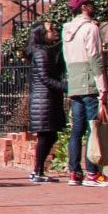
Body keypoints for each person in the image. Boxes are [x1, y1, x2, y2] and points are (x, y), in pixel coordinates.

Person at [61, 0, 107, 185]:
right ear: (82, 8)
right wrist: (102, 86)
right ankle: (92, 173)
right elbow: (95, 58)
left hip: (74, 81)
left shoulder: (66, 30)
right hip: (89, 80)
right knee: (92, 128)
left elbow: (66, 58)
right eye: (88, 4)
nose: (92, 5)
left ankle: (74, 172)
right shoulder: (90, 28)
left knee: (76, 130)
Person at [26, 22, 65, 182]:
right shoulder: (41, 53)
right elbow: (45, 78)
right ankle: (37, 171)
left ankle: (39, 170)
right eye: (51, 30)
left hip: (45, 98)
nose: (54, 31)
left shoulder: (44, 51)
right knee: (45, 135)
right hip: (44, 99)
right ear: (42, 34)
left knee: (50, 135)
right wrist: (65, 87)